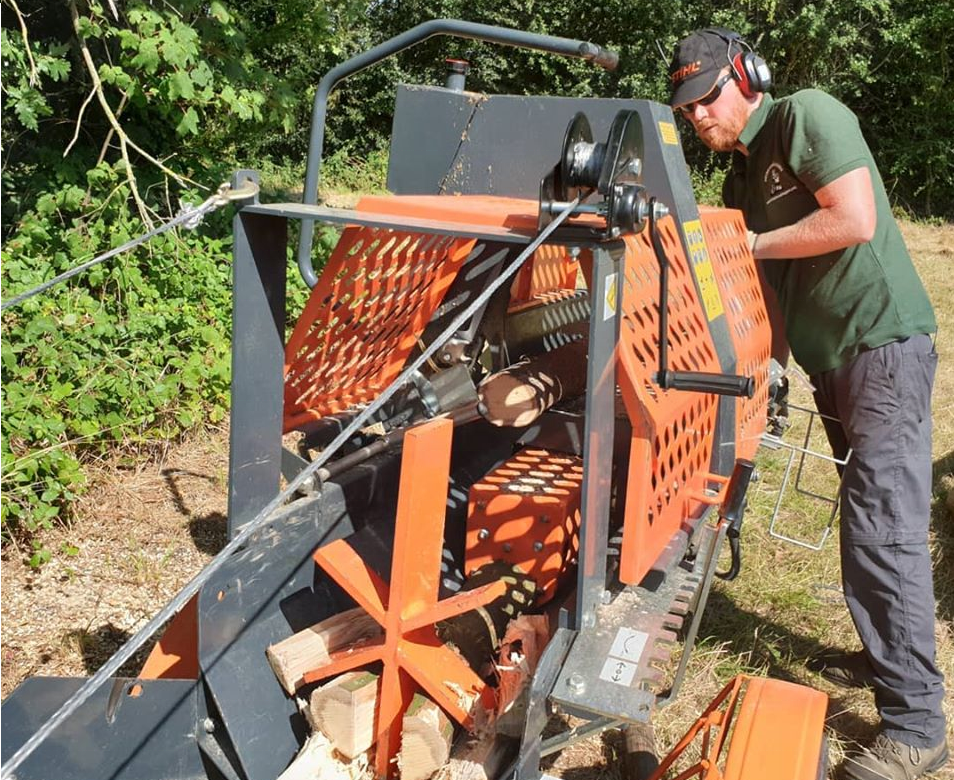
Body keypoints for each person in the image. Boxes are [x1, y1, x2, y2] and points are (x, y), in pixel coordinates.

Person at [668, 27, 948, 780]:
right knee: (868, 518)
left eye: (708, 96)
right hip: (831, 363)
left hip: (881, 343)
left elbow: (852, 218)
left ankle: (918, 728)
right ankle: (890, 652)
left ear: (746, 77)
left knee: (880, 529)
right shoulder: (738, 181)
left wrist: (752, 245)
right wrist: (772, 370)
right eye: (686, 107)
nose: (698, 116)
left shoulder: (806, 116)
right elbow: (776, 295)